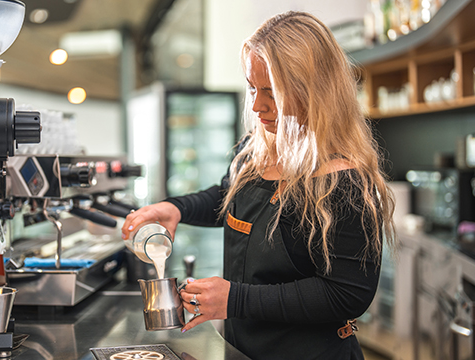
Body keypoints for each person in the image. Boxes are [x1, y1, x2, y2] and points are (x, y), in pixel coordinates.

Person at [121, 11, 395, 360]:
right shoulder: (256, 150)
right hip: (242, 350)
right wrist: (176, 208)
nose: (256, 105)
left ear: (316, 91)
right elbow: (227, 196)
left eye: (272, 92)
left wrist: (235, 299)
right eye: (252, 87)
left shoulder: (343, 180)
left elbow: (347, 293)